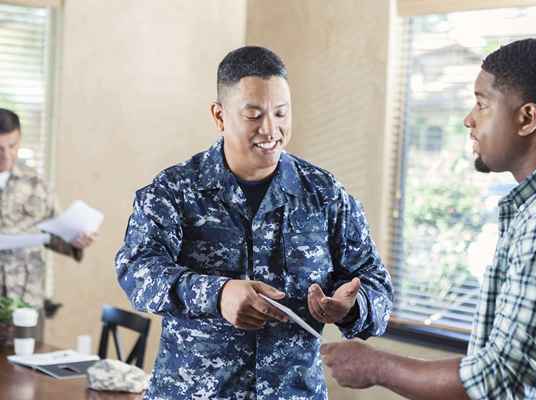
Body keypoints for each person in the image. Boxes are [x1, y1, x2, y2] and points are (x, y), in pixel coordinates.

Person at [322, 38, 536, 399]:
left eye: (482, 104)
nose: (469, 118)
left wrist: (376, 366)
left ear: (527, 118)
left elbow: (503, 379)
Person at [115, 45, 393, 399]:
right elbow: (136, 271)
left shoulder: (324, 194)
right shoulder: (174, 191)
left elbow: (377, 287)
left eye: (281, 113)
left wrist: (353, 306)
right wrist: (217, 294)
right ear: (219, 116)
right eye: (254, 115)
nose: (271, 129)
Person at [0, 108, 95, 340]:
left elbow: (57, 234)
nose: (7, 156)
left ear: (19, 139)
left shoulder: (36, 183)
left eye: (12, 146)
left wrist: (76, 240)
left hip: (26, 302)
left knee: (26, 374)